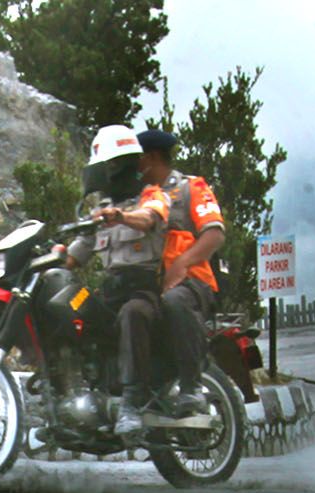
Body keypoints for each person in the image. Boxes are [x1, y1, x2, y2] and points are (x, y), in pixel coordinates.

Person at [63, 124, 170, 441]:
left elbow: (150, 218)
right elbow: (75, 255)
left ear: (128, 163)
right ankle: (77, 400)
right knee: (72, 311)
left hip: (144, 289)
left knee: (132, 315)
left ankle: (131, 405)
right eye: (105, 166)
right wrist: (52, 253)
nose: (110, 171)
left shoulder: (153, 195)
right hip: (110, 290)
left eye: (114, 164)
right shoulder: (99, 212)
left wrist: (121, 216)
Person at [136, 127, 224, 416]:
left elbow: (214, 235)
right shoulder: (139, 197)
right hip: (151, 283)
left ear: (151, 157)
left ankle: (191, 387)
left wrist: (181, 264)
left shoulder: (191, 187)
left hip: (192, 282)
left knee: (175, 302)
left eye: (138, 158)